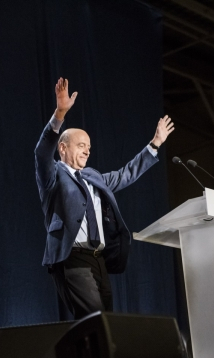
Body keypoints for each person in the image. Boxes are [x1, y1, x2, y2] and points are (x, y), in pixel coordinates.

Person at [34, 78, 174, 319]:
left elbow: (125, 174)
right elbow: (41, 151)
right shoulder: (53, 174)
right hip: (72, 257)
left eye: (89, 146)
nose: (88, 150)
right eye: (81, 145)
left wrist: (155, 144)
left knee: (106, 322)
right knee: (97, 321)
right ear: (63, 148)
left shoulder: (93, 176)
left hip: (98, 260)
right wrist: (59, 114)